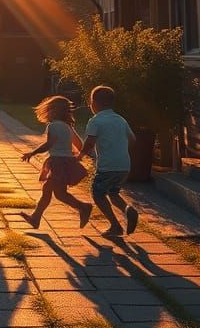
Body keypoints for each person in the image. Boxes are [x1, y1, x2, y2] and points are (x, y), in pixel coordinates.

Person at [19, 95, 92, 230]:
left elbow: (49, 144)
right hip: (65, 162)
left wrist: (32, 153)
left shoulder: (53, 126)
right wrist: (74, 155)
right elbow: (79, 145)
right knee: (49, 191)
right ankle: (35, 218)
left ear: (52, 111)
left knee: (59, 194)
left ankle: (83, 207)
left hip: (57, 163)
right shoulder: (67, 126)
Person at [79, 84, 139, 238]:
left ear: (93, 103)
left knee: (97, 194)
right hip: (124, 165)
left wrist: (80, 156)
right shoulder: (120, 120)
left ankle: (115, 226)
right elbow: (132, 139)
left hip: (107, 166)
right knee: (113, 193)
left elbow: (89, 142)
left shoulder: (95, 121)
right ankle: (128, 210)